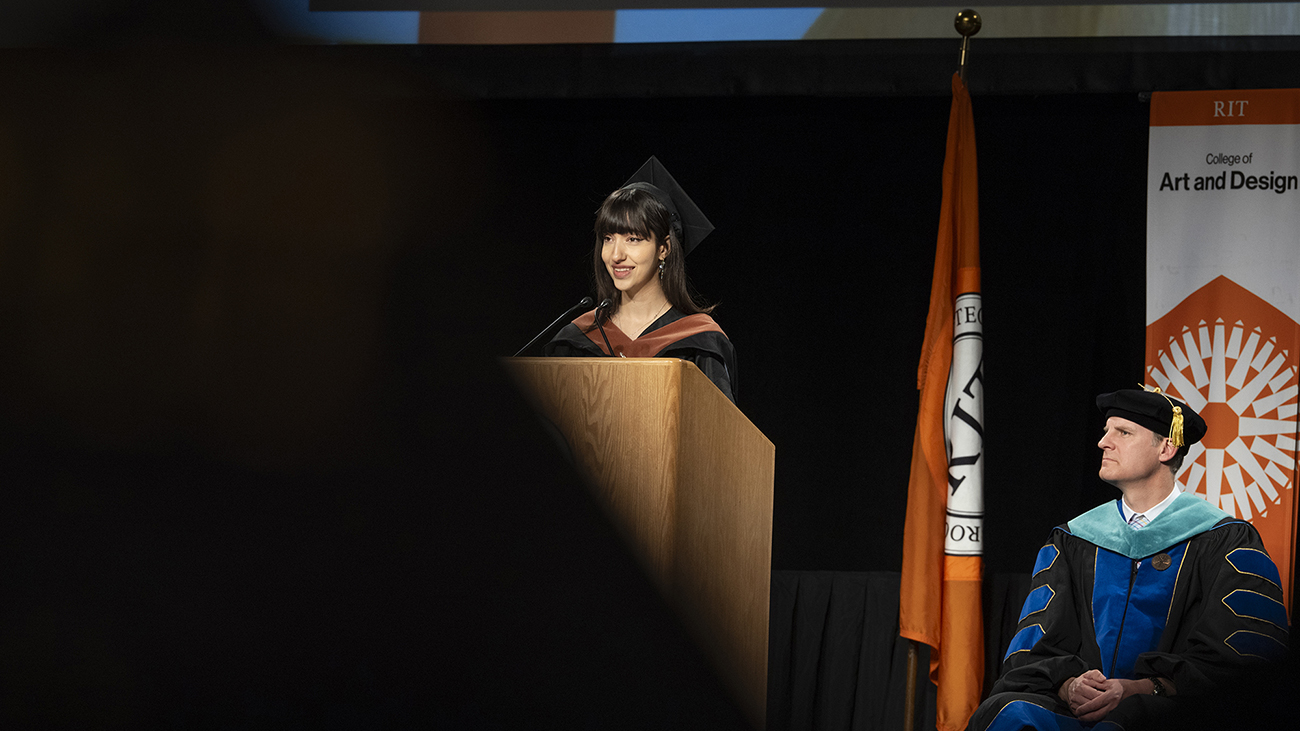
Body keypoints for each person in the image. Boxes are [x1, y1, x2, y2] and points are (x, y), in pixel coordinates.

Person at [968, 387, 1289, 731]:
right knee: (1007, 712)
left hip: (1173, 710)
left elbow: (1245, 662)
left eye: (1122, 432)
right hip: (1074, 708)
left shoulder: (1224, 540)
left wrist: (1141, 689)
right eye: (1106, 431)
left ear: (1167, 447)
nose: (1103, 442)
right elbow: (1034, 652)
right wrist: (1070, 685)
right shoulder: (1074, 539)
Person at [545, 157, 737, 404]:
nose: (616, 255)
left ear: (663, 248)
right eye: (608, 238)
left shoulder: (699, 341)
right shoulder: (576, 338)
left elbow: (719, 435)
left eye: (633, 239)